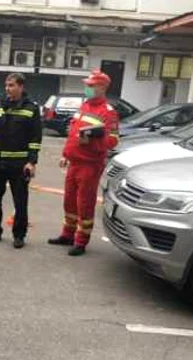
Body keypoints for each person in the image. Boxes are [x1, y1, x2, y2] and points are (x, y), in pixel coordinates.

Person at [48, 69, 119, 256]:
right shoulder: (85, 106)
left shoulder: (108, 112)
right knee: (69, 201)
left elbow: (112, 141)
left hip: (90, 165)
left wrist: (93, 138)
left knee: (84, 204)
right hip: (74, 163)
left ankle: (81, 241)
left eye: (90, 85)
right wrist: (65, 154)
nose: (86, 88)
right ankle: (67, 234)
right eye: (86, 85)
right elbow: (73, 134)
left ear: (102, 87)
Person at [0, 73, 41, 249]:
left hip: (19, 165)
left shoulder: (31, 108)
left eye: (12, 85)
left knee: (20, 202)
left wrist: (32, 161)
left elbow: (35, 138)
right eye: (6, 85)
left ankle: (19, 235)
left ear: (21, 87)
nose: (8, 88)